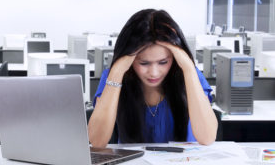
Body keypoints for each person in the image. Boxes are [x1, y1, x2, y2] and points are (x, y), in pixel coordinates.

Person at [88, 9, 218, 148]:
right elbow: (97, 141)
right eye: (144, 63)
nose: (154, 73)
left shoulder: (190, 75)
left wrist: (188, 68)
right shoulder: (113, 77)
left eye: (163, 62)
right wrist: (117, 71)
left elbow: (207, 138)